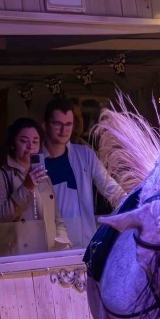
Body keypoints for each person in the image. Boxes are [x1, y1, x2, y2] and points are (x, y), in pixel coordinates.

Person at [42, 98, 124, 248]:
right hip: (52, 247)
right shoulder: (36, 162)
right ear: (45, 125)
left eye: (68, 124)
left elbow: (109, 186)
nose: (64, 130)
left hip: (87, 245)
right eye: (57, 124)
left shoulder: (84, 155)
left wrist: (133, 203)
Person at [0, 117, 51, 224]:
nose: (31, 146)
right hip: (17, 240)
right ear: (12, 144)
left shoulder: (44, 176)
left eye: (35, 141)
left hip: (44, 240)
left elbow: (56, 218)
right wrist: (26, 187)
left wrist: (61, 238)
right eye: (24, 141)